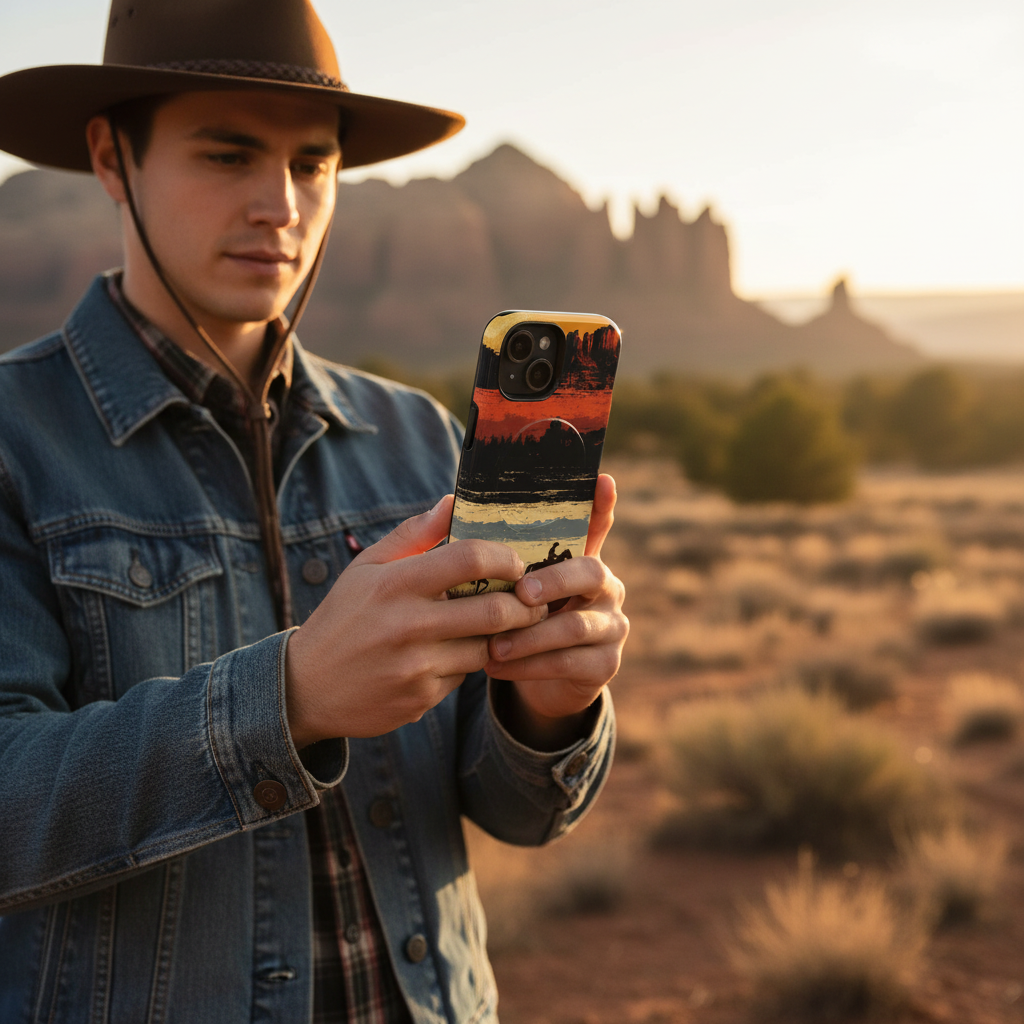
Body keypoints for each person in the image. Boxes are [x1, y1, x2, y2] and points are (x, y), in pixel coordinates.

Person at [0, 2, 628, 1022]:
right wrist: (288, 698)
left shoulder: (418, 438)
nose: (280, 204)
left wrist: (547, 706)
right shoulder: (15, 441)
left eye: (312, 165)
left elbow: (518, 813)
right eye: (227, 156)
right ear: (113, 160)